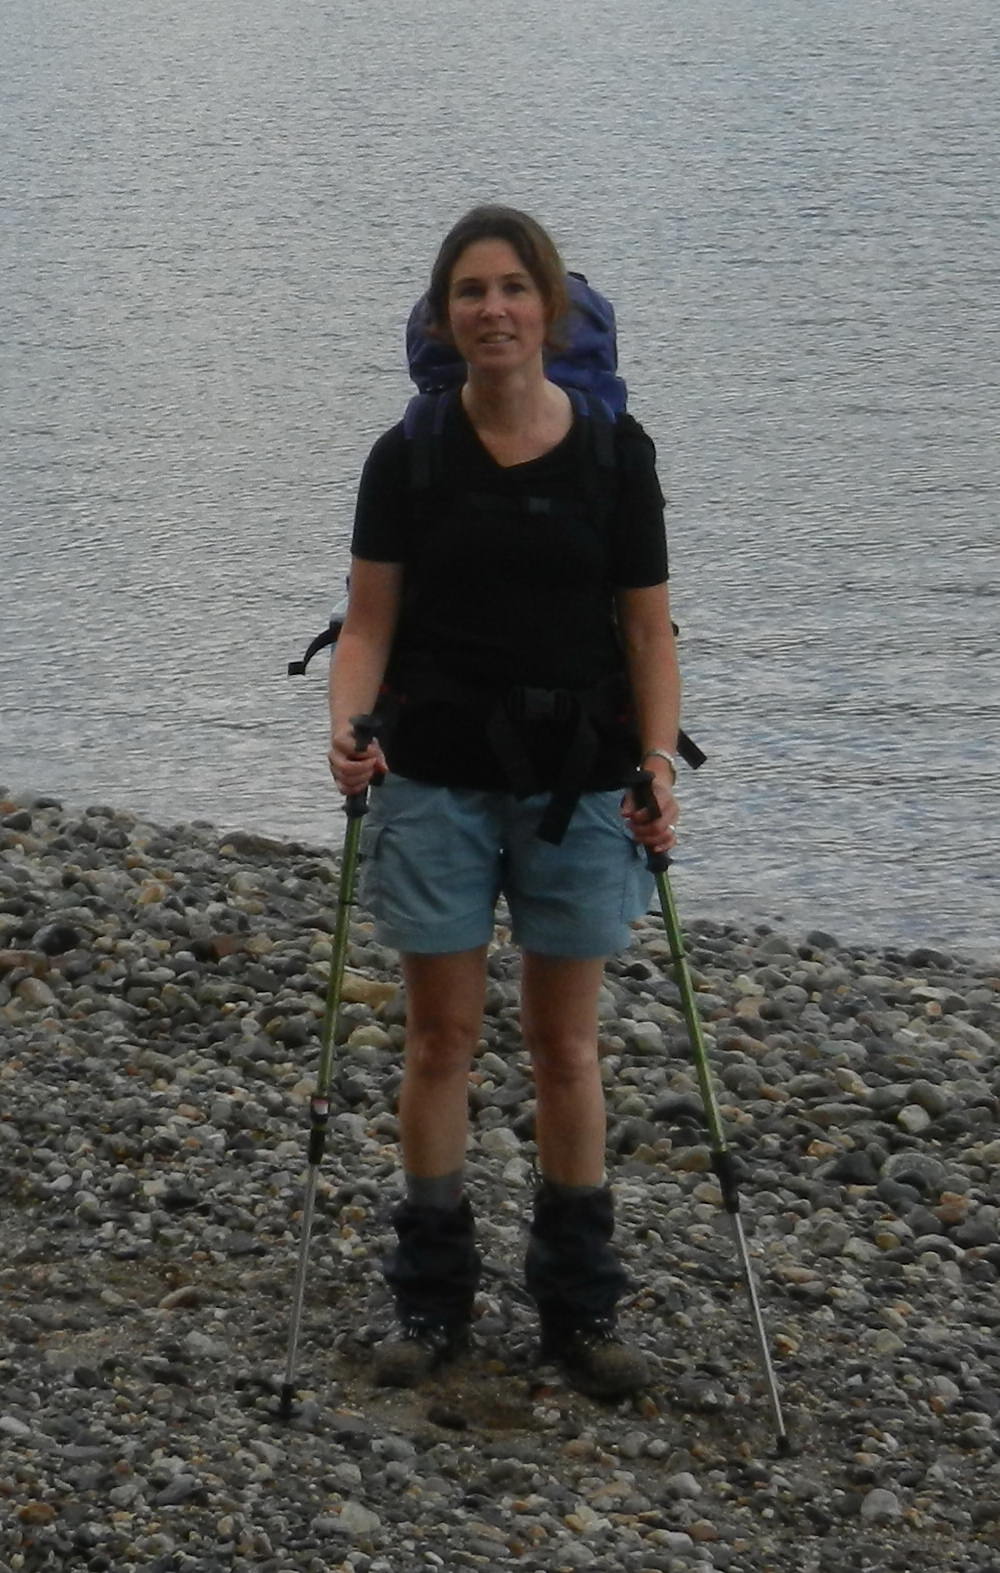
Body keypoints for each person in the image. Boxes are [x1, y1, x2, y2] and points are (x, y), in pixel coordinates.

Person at [327, 205, 681, 1398]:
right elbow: (368, 620)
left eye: (512, 289)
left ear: (550, 311)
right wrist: (347, 727)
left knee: (565, 1047)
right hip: (430, 773)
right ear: (443, 317)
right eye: (470, 292)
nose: (492, 310)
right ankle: (430, 1304)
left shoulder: (616, 456)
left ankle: (578, 1311)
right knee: (439, 1042)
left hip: (579, 783)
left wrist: (655, 763)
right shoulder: (407, 455)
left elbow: (647, 630)